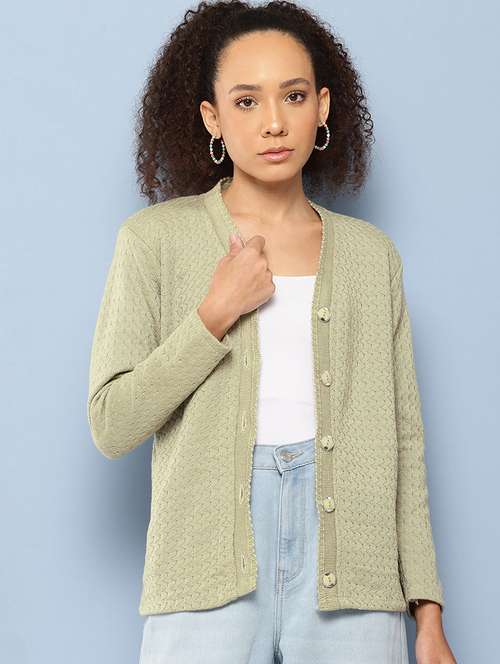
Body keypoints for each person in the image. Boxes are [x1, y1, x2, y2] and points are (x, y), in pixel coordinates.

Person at [87, 1, 457, 662]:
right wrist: (213, 314)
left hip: (356, 570)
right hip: (205, 565)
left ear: (322, 106)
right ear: (213, 118)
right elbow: (112, 423)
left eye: (293, 96)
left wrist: (427, 613)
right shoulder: (154, 241)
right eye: (247, 101)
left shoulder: (371, 257)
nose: (274, 122)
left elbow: (403, 441)